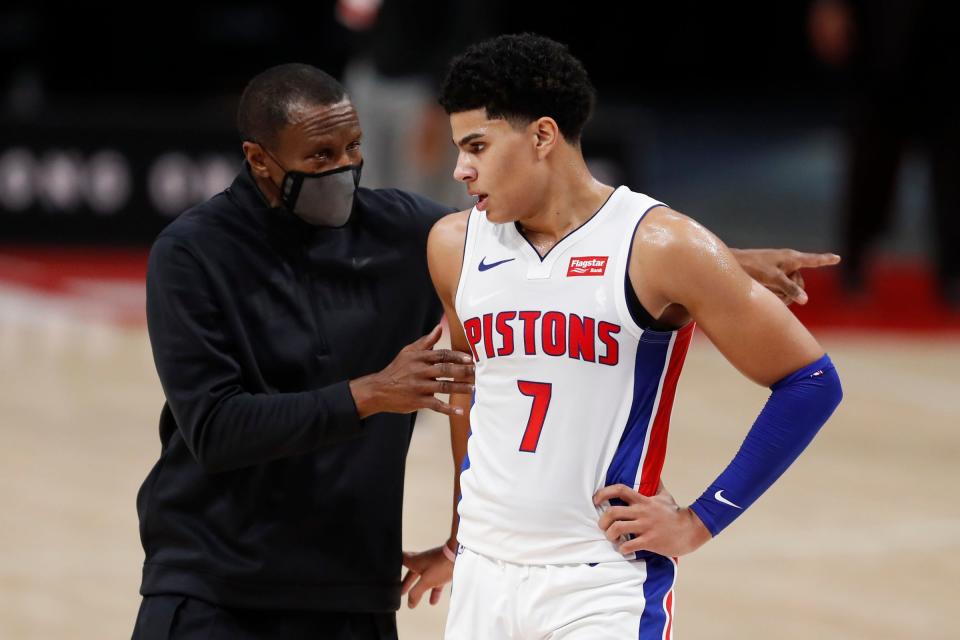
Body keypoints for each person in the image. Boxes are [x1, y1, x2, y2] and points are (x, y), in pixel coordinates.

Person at [133, 61, 837, 638]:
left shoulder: (407, 231)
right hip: (227, 583)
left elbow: (590, 253)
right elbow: (217, 428)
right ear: (260, 161)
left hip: (450, 585)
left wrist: (718, 264)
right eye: (321, 158)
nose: (345, 172)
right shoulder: (198, 255)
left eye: (353, 152)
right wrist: (377, 404)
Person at [425, 34, 843, 638]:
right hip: (484, 579)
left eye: (477, 147)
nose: (460, 169)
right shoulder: (453, 245)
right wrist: (461, 536)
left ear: (542, 136)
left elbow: (810, 382)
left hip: (600, 583)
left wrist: (699, 521)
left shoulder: (660, 244)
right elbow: (470, 389)